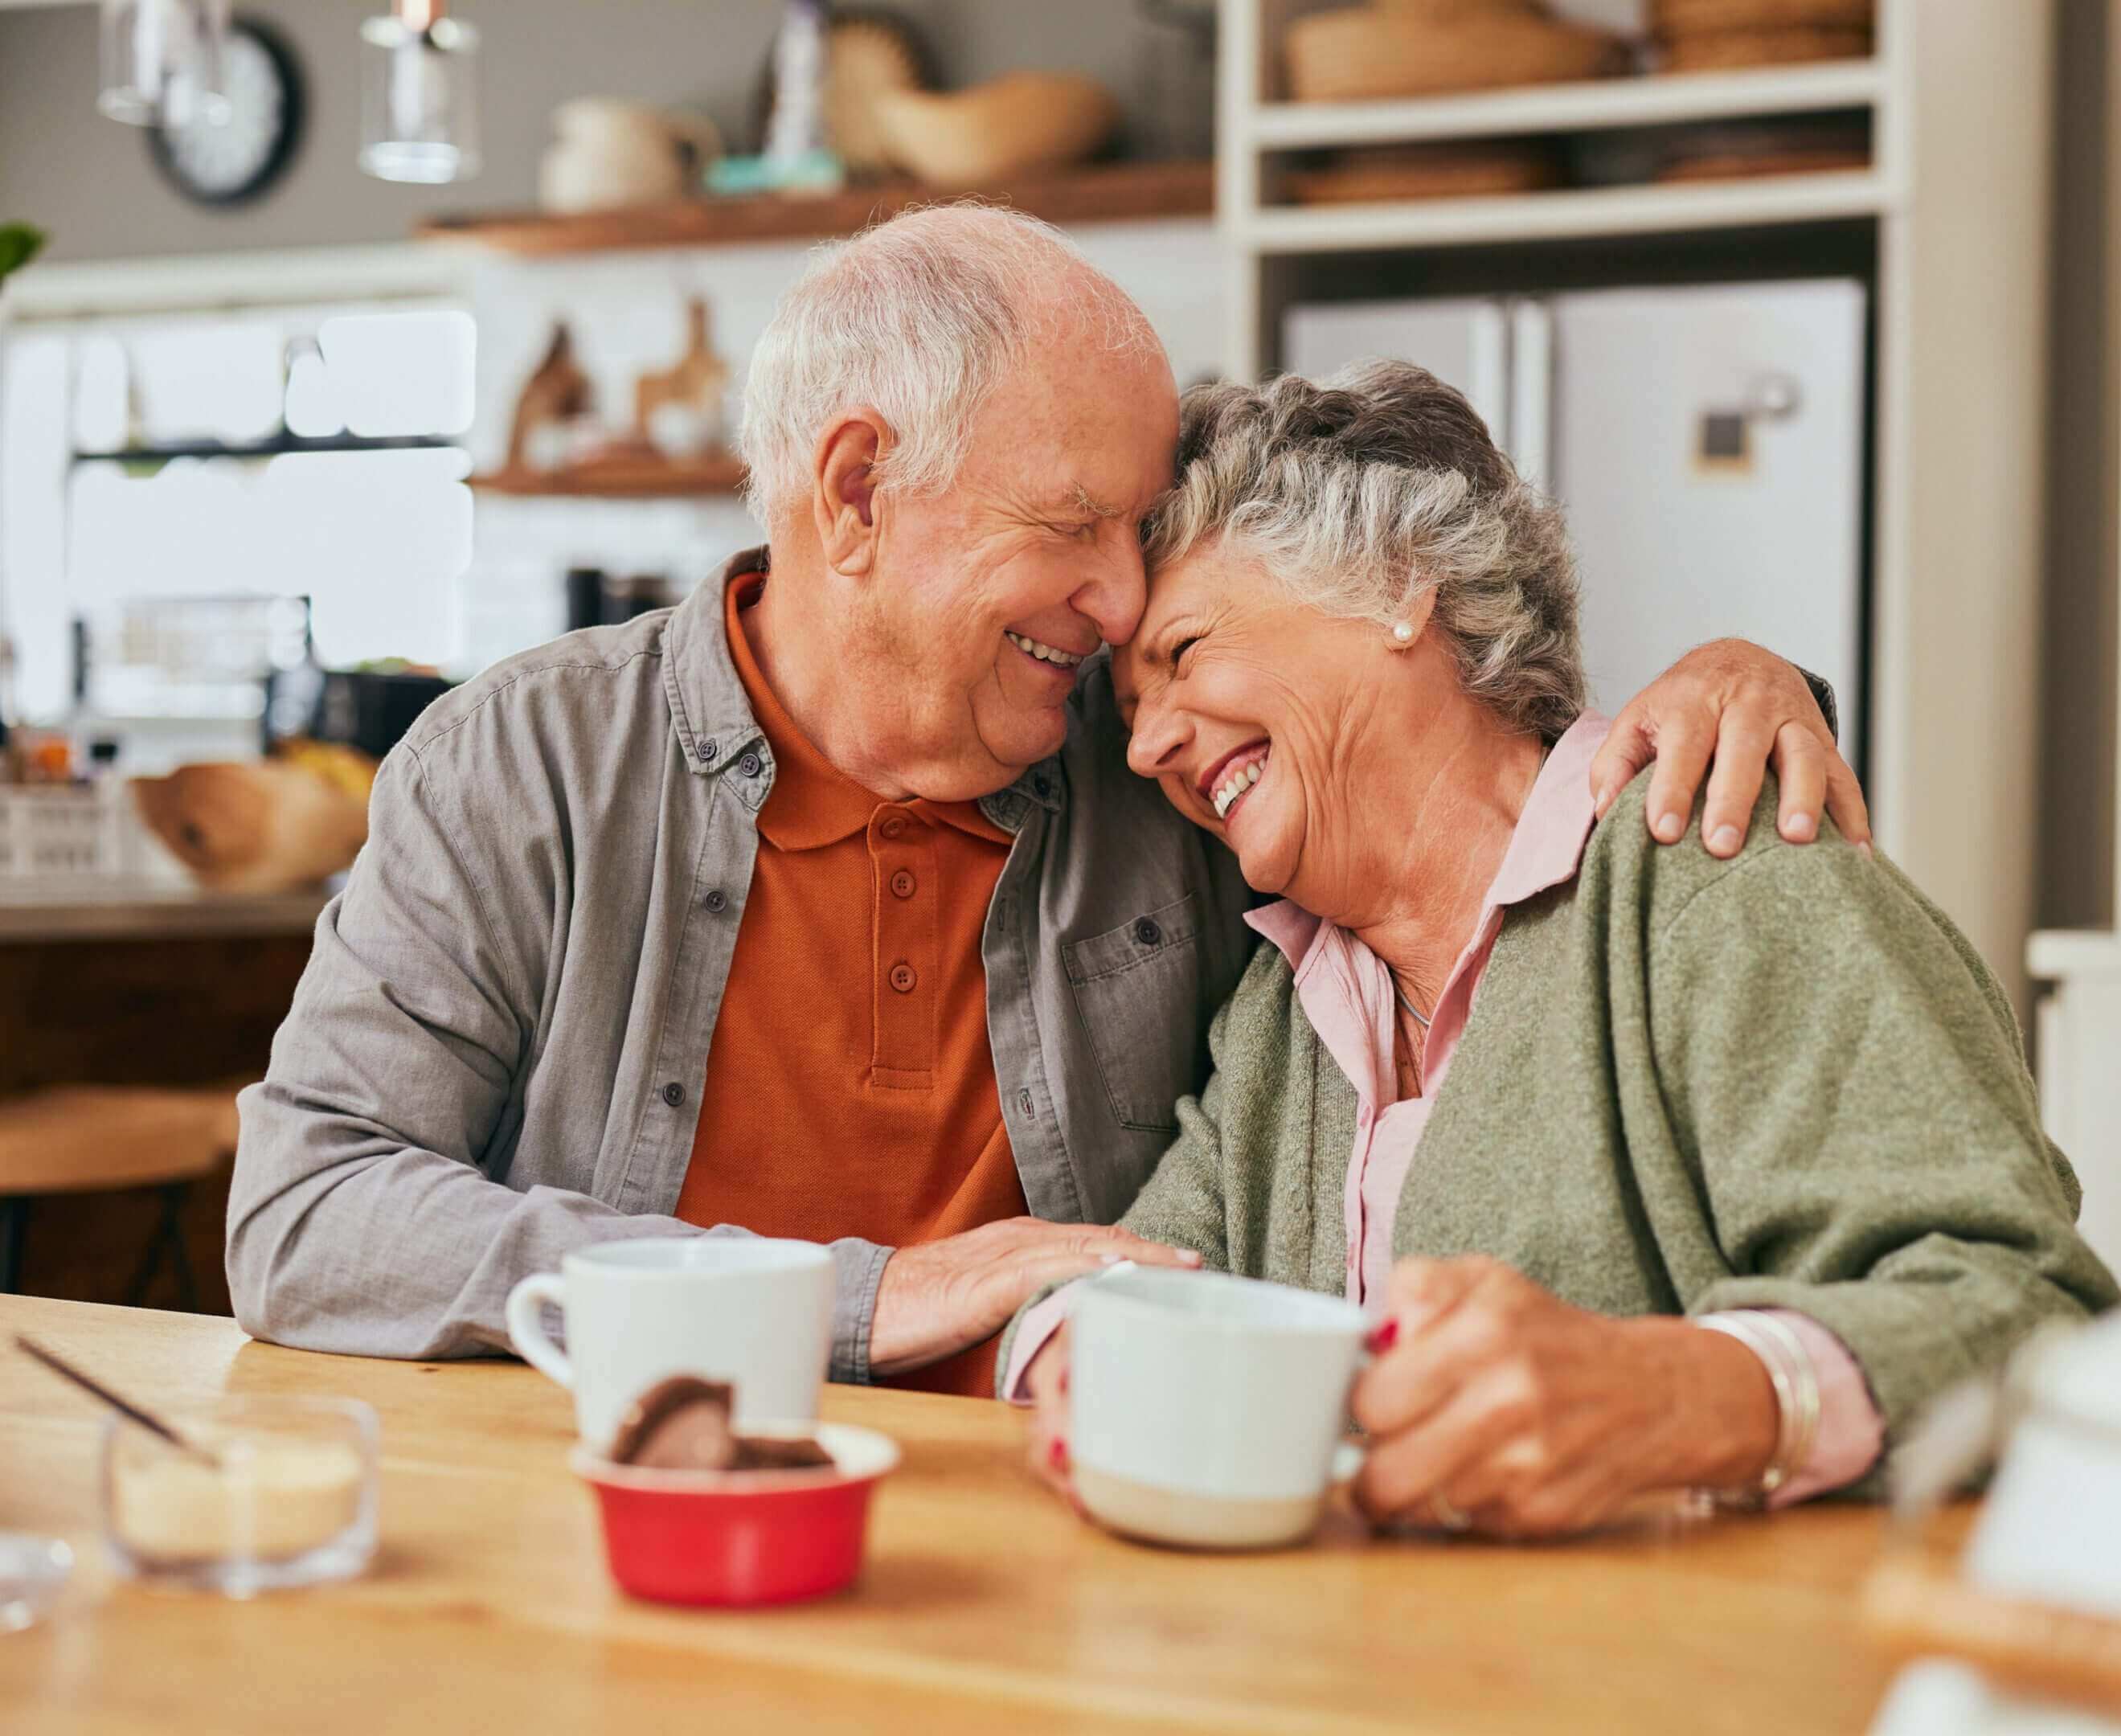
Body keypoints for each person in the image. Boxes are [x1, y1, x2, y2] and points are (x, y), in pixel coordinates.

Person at [225, 207, 1869, 1395]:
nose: (1122, 602)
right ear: (857, 492)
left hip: (1052, 1540)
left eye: (1140, 543)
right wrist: (844, 1300)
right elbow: (307, 1215)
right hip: (626, 1517)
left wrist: (1741, 676)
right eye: (1076, 524)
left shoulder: (1151, 761)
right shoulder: (525, 762)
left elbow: (1451, 760)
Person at [1009, 361, 2120, 1532]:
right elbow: (1143, 1278)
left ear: (1397, 588)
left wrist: (1682, 1397)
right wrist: (1076, 1347)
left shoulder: (1714, 872)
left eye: (1184, 654)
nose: (1149, 749)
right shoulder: (1288, 1007)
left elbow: (2026, 1309)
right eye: (1129, 720)